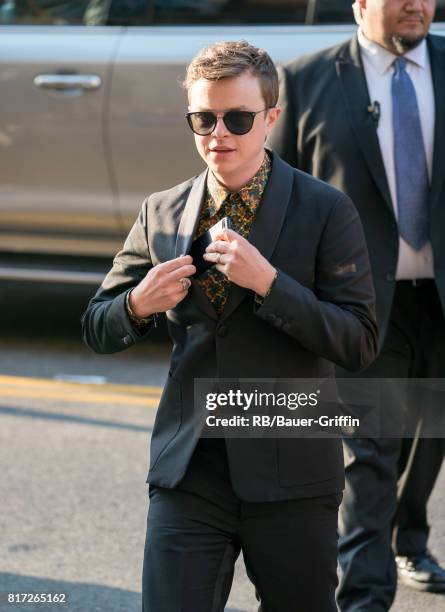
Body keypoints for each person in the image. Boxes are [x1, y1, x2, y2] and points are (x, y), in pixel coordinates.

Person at [81, 40, 378, 612]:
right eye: (203, 118)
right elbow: (98, 324)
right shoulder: (161, 210)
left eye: (238, 118)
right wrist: (138, 305)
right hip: (189, 470)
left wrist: (271, 283)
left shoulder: (326, 210)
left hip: (291, 472)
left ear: (270, 117)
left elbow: (358, 341)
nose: (219, 133)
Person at [268, 0, 445, 609]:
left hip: (440, 300)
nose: (417, 6)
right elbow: (279, 195)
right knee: (368, 451)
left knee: (431, 433)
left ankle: (410, 535)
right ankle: (367, 599)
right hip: (359, 302)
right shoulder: (305, 80)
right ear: (361, 4)